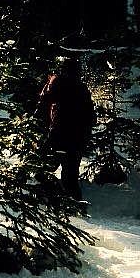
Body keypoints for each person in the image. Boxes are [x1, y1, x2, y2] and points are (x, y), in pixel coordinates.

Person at [36, 58, 96, 199]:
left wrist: (37, 124)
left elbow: (43, 104)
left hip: (59, 134)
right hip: (77, 138)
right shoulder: (82, 88)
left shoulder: (55, 82)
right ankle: (75, 206)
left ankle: (42, 198)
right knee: (70, 175)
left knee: (43, 167)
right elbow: (91, 117)